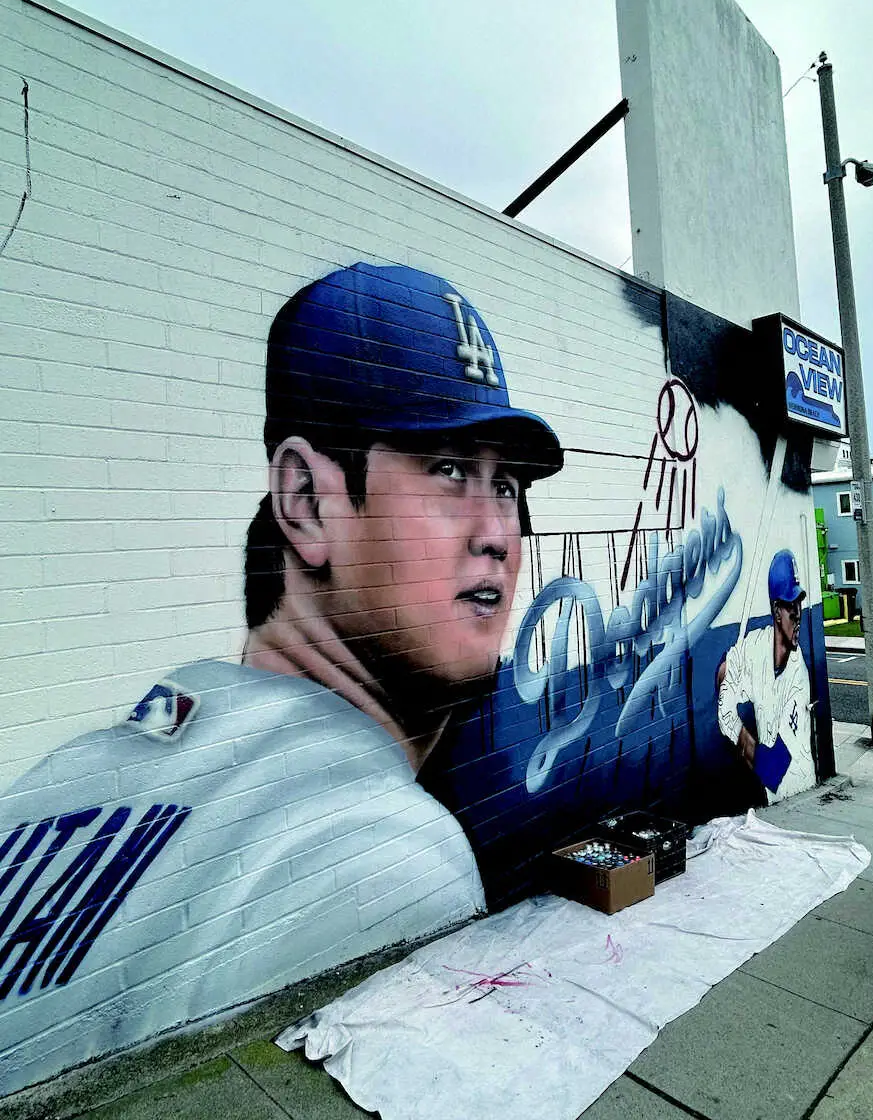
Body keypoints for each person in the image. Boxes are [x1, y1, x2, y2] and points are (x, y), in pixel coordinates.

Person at [0, 263, 563, 1097]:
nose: (499, 534)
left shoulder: (72, 775)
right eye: (448, 469)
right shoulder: (383, 853)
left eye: (506, 486)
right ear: (304, 500)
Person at [716, 549, 816, 803]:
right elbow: (724, 671)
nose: (798, 614)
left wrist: (731, 723)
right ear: (776, 610)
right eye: (790, 605)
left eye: (799, 603)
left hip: (795, 793)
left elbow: (774, 769)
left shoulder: (798, 676)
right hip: (772, 797)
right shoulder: (757, 645)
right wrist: (728, 691)